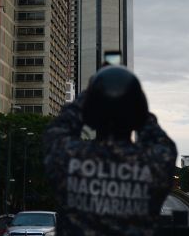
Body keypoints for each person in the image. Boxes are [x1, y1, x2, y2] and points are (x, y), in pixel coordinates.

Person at [44, 65, 177, 236]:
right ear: (138, 112)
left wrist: (90, 93)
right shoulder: (155, 163)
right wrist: (134, 101)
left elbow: (58, 128)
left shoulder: (67, 157)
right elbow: (159, 140)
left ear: (90, 113)